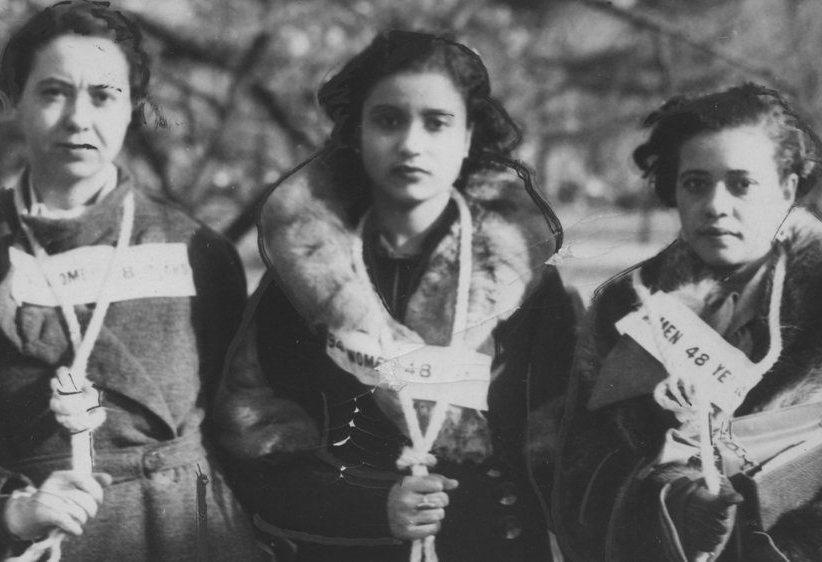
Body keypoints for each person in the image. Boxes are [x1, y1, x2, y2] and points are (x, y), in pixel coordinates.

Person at [214, 30, 582, 562]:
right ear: (357, 133)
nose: (411, 144)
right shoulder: (304, 282)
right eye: (389, 120)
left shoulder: (525, 281)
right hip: (352, 548)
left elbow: (568, 442)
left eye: (436, 122)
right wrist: (370, 505)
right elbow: (252, 440)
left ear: (468, 135)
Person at [0, 2, 260, 560]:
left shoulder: (198, 251)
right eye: (52, 92)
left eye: (103, 95)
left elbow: (242, 431)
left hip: (186, 538)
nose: (78, 117)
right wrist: (9, 508)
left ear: (132, 110)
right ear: (15, 103)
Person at [553, 83, 822, 562]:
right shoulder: (625, 309)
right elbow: (579, 462)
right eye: (696, 183)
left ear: (786, 189)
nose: (716, 205)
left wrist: (813, 543)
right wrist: (664, 501)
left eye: (741, 184)